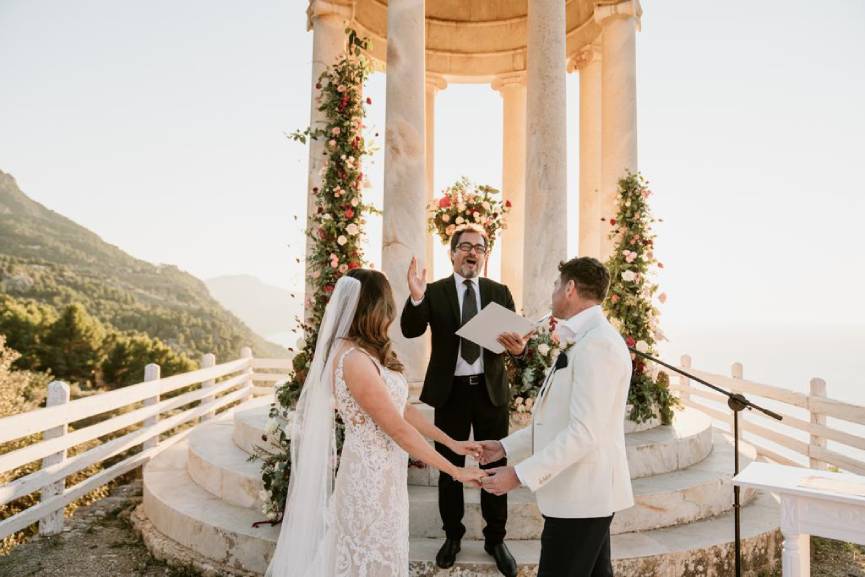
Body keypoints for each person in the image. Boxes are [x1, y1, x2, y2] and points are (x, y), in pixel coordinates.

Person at [265, 270, 487, 577]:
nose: (391, 313)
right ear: (373, 307)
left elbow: (403, 410)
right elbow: (397, 428)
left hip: (386, 477)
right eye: (388, 305)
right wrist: (455, 471)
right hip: (368, 482)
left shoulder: (367, 351)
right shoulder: (353, 361)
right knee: (367, 558)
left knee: (384, 554)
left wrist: (452, 443)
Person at [478, 257, 635, 577]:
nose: (552, 292)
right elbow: (557, 418)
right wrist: (505, 447)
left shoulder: (598, 345)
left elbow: (583, 433)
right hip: (583, 496)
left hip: (581, 498)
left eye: (555, 285)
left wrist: (519, 475)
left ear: (571, 288)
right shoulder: (583, 337)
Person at [401, 224, 528, 577]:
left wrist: (521, 349)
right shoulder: (436, 291)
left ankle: (496, 539)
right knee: (449, 467)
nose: (473, 252)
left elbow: (516, 344)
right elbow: (410, 329)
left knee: (493, 467)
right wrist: (415, 297)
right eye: (466, 246)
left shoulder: (498, 291)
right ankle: (452, 536)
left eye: (480, 247)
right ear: (453, 253)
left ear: (485, 255)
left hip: (490, 393)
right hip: (451, 393)